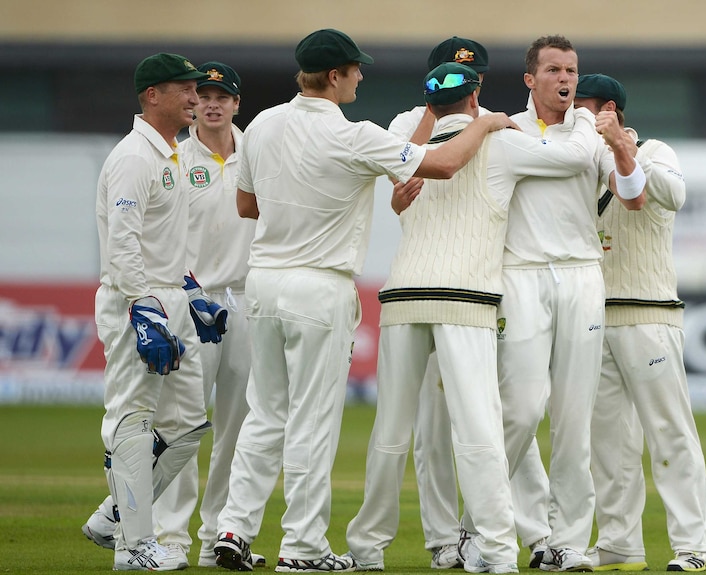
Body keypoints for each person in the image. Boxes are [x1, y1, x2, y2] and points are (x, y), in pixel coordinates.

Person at [211, 29, 517, 573]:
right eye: (355, 70)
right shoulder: (354, 136)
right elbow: (442, 164)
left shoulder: (260, 124)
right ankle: (302, 548)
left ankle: (233, 528)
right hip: (318, 286)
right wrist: (489, 121)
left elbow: (245, 205)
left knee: (264, 414)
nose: (360, 76)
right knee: (311, 422)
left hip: (263, 282)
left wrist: (297, 208)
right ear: (334, 76)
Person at [345, 62, 598, 574]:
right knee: (480, 432)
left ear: (429, 103)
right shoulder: (501, 140)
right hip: (465, 299)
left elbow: (410, 174)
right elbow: (574, 157)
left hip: (402, 298)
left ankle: (366, 550)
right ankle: (500, 553)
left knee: (391, 432)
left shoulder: (411, 146)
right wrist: (585, 120)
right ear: (476, 93)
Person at [467, 35, 645, 573]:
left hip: (581, 274)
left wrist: (618, 145)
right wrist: (590, 146)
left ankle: (566, 540)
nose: (565, 79)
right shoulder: (507, 129)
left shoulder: (595, 130)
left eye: (571, 70)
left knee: (573, 417)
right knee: (520, 409)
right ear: (530, 79)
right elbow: (551, 165)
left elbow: (633, 196)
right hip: (519, 274)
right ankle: (482, 528)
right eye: (553, 70)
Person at [387, 36, 552, 570]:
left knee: (505, 414)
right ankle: (443, 540)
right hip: (432, 281)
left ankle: (509, 530)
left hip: (489, 284)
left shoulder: (507, 125)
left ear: (482, 78)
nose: (467, 81)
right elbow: (402, 173)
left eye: (472, 72)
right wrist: (447, 120)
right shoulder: (408, 121)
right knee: (432, 426)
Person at [572, 73, 706, 573]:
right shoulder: (580, 163)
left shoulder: (656, 151)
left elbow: (673, 196)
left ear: (610, 109)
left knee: (669, 433)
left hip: (650, 315)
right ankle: (619, 544)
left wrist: (621, 146)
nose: (575, 115)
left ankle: (694, 544)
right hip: (596, 320)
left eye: (584, 107)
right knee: (609, 443)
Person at [85, 52, 226, 571]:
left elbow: (168, 242)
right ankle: (133, 546)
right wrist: (144, 310)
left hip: (169, 297)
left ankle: (112, 515)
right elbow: (122, 243)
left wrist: (192, 296)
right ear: (152, 96)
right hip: (134, 300)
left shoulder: (171, 156)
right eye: (185, 90)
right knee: (133, 419)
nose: (195, 98)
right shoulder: (132, 157)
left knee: (188, 423)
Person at [148, 61, 266, 569]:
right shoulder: (175, 157)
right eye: (206, 95)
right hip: (191, 300)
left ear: (237, 104)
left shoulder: (256, 154)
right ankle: (170, 536)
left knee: (237, 426)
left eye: (224, 96)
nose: (213, 103)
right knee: (183, 421)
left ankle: (220, 532)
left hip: (244, 298)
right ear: (195, 103)